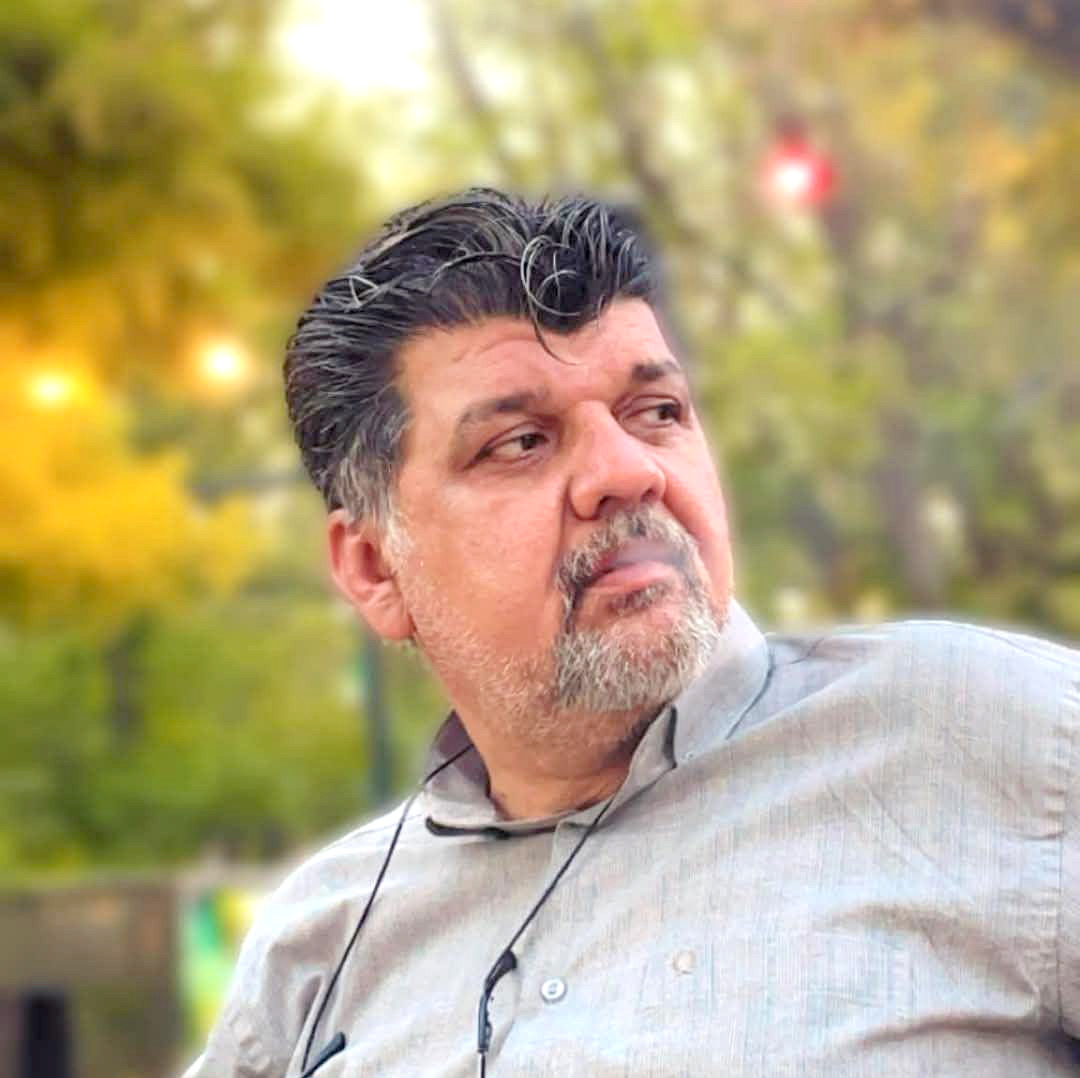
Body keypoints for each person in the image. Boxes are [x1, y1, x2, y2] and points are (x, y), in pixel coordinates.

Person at [186, 188, 1080, 1077]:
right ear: (375, 569)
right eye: (521, 442)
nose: (626, 470)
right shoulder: (318, 949)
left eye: (656, 412)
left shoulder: (1004, 743)